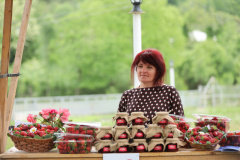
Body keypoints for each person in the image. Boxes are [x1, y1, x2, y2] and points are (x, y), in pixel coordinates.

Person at [117, 48, 184, 124]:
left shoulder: (169, 91)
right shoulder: (128, 95)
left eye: (149, 67)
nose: (143, 71)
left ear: (158, 71)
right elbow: (119, 126)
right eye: (140, 66)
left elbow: (180, 124)